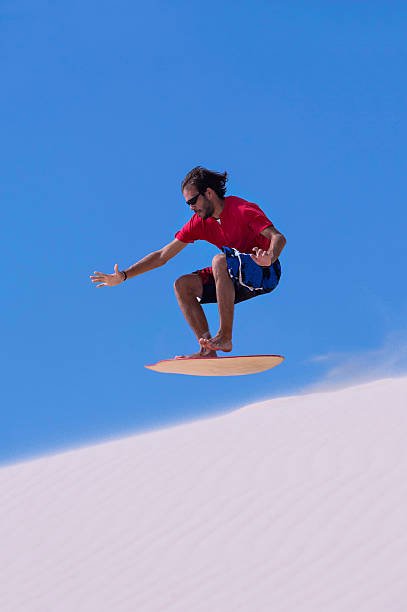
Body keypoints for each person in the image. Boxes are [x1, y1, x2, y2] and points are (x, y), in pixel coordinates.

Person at [90, 166, 286, 359]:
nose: (191, 208)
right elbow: (162, 255)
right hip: (234, 277)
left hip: (264, 272)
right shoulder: (200, 222)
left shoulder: (241, 209)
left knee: (220, 260)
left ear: (209, 193)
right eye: (188, 204)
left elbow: (278, 237)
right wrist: (123, 276)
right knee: (183, 285)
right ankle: (208, 349)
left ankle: (225, 336)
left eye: (193, 201)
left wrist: (269, 256)